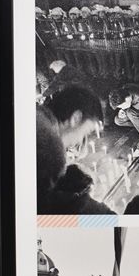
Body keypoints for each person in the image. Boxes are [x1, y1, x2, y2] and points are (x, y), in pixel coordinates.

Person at [36, 83, 109, 214]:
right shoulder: (51, 151)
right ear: (76, 118)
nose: (80, 140)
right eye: (85, 132)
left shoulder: (36, 114)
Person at [107, 84, 139, 158]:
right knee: (118, 120)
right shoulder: (124, 91)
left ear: (127, 99)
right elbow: (125, 106)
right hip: (137, 112)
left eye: (122, 106)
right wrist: (122, 112)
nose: (121, 108)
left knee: (129, 113)